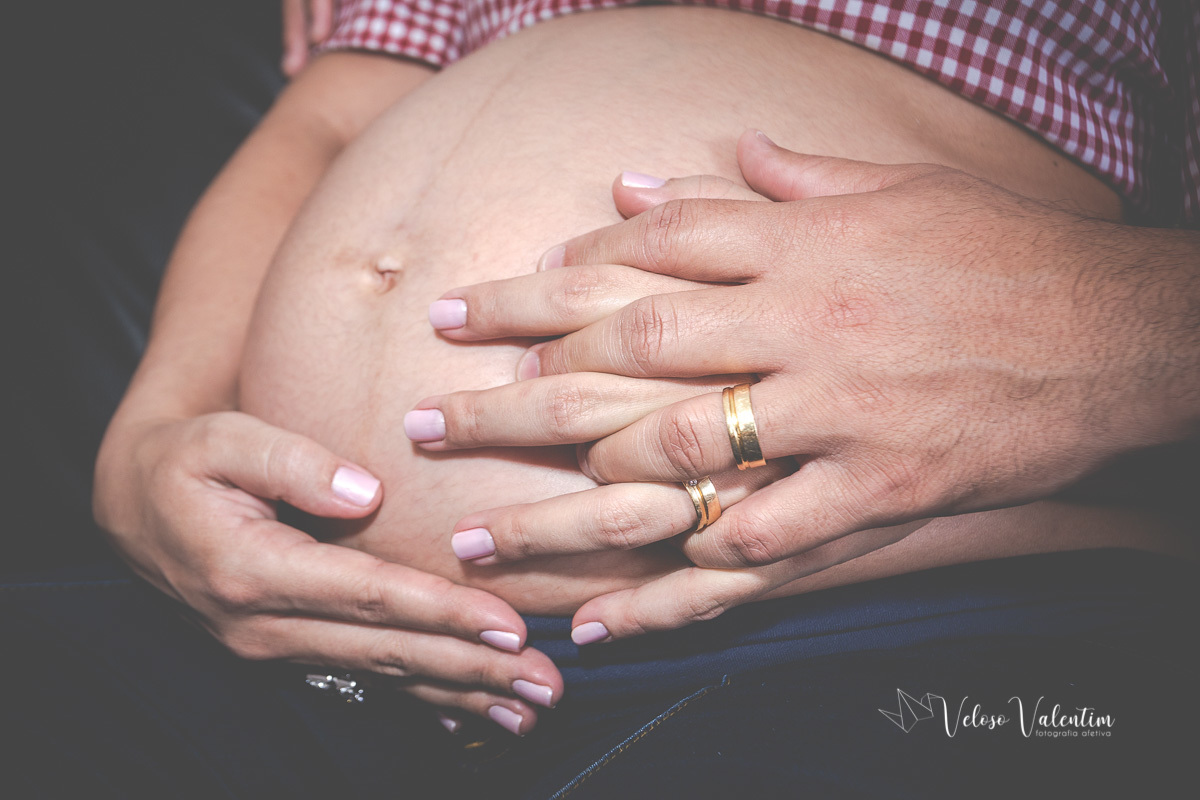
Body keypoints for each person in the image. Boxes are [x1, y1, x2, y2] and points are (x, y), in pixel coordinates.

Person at [9, 0, 1197, 797]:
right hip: (290, 622)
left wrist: (1113, 315)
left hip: (864, 618)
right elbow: (329, 115)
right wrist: (150, 426)